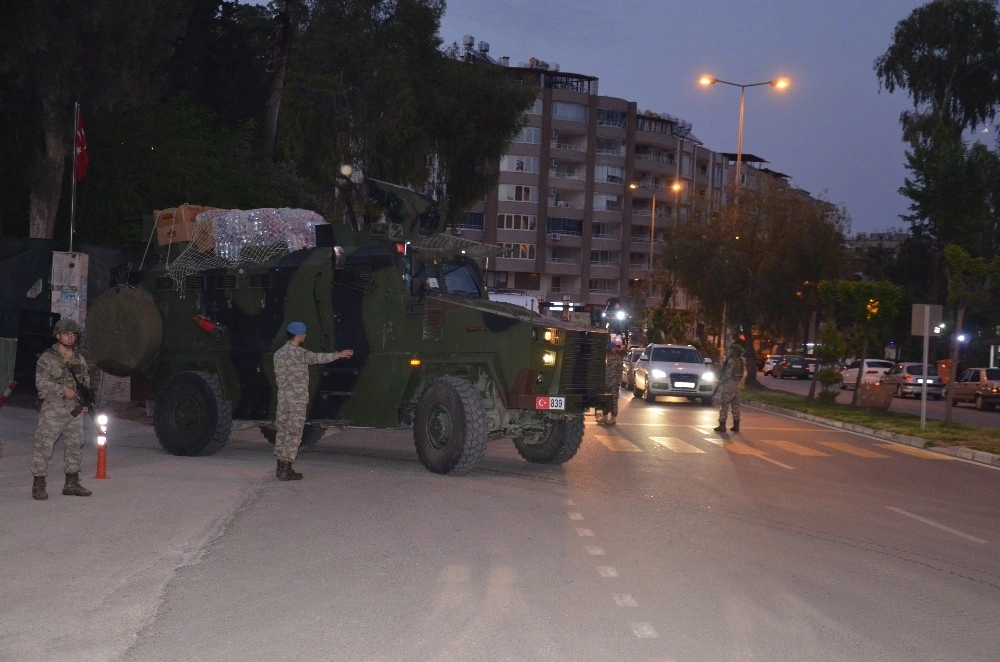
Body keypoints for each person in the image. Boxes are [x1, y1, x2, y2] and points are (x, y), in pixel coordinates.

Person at [272, 321, 353, 480]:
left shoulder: (278, 354)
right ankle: (285, 470)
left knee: (282, 431)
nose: (306, 336)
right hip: (297, 400)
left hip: (283, 399)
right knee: (294, 433)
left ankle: (280, 466)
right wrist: (339, 354)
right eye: (304, 333)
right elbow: (318, 358)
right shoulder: (299, 354)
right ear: (298, 335)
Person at [31, 318, 92, 500]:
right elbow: (40, 383)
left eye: (73, 334)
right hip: (53, 408)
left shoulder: (79, 359)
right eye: (66, 334)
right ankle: (39, 484)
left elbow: (85, 382)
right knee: (44, 445)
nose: (70, 337)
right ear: (58, 335)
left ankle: (72, 482)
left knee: (75, 444)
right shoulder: (47, 358)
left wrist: (87, 401)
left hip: (74, 409)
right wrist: (63, 390)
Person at [714, 342, 747, 433]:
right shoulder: (740, 361)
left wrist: (720, 382)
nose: (730, 351)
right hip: (736, 385)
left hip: (729, 384)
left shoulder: (731, 360)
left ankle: (722, 425)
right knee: (735, 406)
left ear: (735, 351)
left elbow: (728, 373)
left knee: (724, 404)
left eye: (731, 350)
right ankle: (736, 425)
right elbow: (741, 373)